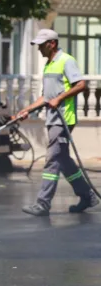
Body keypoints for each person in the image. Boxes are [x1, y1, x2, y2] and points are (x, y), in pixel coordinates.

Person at [13, 28, 96, 217]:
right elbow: (45, 97)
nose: (39, 48)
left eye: (41, 45)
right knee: (63, 160)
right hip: (53, 119)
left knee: (52, 160)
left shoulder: (66, 60)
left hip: (64, 119)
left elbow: (81, 85)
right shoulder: (48, 65)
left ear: (52, 44)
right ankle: (88, 196)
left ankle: (43, 203)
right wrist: (26, 110)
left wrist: (59, 98)